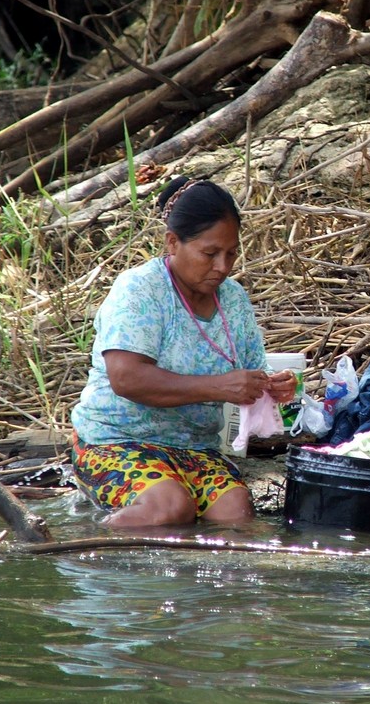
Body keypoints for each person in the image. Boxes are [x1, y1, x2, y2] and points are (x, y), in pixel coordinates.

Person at [70, 177, 297, 528]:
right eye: (210, 253)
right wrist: (218, 387)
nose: (222, 266)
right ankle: (84, 546)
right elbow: (126, 378)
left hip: (195, 449)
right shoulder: (141, 290)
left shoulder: (233, 299)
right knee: (170, 509)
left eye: (231, 253)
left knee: (235, 517)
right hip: (116, 440)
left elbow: (252, 374)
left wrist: (274, 386)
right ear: (173, 243)